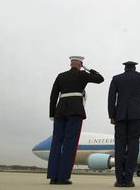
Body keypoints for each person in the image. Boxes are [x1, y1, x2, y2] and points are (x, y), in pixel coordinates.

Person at [48, 56, 104, 185]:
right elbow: (100, 79)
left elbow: (53, 95)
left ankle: (53, 176)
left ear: (70, 63)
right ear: (80, 64)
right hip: (75, 110)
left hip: (60, 111)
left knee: (56, 142)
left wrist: (52, 113)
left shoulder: (61, 76)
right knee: (70, 143)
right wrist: (90, 69)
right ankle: (62, 177)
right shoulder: (83, 74)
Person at [108, 61, 140, 187]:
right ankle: (128, 180)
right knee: (133, 146)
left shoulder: (116, 78)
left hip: (120, 116)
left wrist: (112, 115)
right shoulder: (139, 76)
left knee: (119, 147)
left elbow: (111, 98)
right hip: (136, 115)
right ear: (134, 68)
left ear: (124, 68)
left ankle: (119, 180)